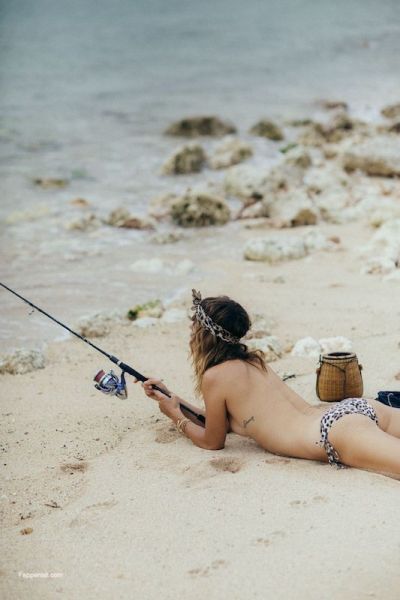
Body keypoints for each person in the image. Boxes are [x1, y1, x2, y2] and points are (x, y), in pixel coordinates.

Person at [138, 289, 400, 479]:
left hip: (333, 433)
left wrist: (176, 417)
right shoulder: (254, 362)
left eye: (193, 328)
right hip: (356, 409)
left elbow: (213, 440)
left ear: (203, 334)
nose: (190, 333)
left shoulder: (215, 376)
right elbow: (224, 422)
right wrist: (174, 400)